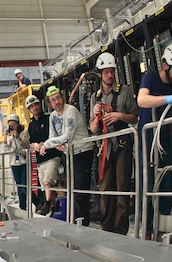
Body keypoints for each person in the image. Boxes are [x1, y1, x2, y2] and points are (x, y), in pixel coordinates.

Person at [136, 43, 172, 236]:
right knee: (148, 185)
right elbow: (142, 100)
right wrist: (166, 99)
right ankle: (147, 230)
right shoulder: (150, 77)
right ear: (165, 65)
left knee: (166, 183)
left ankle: (164, 228)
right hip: (146, 140)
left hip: (164, 139)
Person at [89, 53, 138, 235]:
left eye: (112, 72)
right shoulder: (96, 97)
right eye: (107, 72)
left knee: (122, 189)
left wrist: (119, 116)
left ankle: (120, 230)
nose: (110, 75)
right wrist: (95, 115)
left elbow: (135, 117)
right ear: (100, 74)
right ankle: (107, 228)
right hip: (105, 149)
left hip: (122, 145)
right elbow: (93, 129)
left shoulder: (124, 91)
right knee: (105, 190)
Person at [43, 85, 92, 225]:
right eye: (53, 100)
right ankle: (75, 219)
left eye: (58, 98)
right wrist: (54, 142)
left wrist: (47, 144)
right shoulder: (52, 116)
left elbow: (66, 137)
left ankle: (82, 222)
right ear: (49, 103)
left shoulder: (71, 111)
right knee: (70, 188)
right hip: (68, 153)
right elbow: (53, 136)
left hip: (82, 151)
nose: (57, 101)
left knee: (79, 188)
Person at [27, 94, 59, 215]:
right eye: (31, 106)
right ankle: (52, 208)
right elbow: (30, 142)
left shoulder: (49, 118)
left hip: (52, 156)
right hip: (40, 160)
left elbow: (55, 135)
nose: (34, 108)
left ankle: (46, 205)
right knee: (46, 185)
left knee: (47, 181)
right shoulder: (31, 125)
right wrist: (35, 145)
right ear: (29, 110)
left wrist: (45, 143)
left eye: (36, 105)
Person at [3, 114, 30, 209]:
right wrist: (5, 137)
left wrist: (17, 136)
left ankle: (35, 200)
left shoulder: (24, 133)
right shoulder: (11, 138)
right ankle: (22, 206)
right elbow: (6, 149)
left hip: (24, 162)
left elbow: (25, 145)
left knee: (24, 185)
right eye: (10, 125)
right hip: (15, 163)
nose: (12, 127)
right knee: (19, 185)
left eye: (13, 125)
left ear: (18, 124)